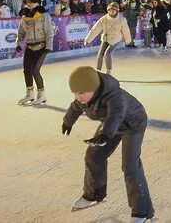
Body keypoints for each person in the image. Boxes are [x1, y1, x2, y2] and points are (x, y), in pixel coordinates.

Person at [63, 66, 154, 221]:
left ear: (94, 87)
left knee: (130, 165)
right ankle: (94, 194)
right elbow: (75, 108)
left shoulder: (114, 96)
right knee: (93, 156)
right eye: (75, 92)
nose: (78, 96)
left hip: (133, 124)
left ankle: (142, 211)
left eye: (81, 92)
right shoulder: (84, 98)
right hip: (111, 125)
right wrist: (67, 122)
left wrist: (105, 134)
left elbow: (116, 115)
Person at [16, 0, 54, 105]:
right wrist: (18, 43)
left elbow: (49, 32)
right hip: (29, 46)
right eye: (28, 2)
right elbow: (21, 32)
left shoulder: (44, 16)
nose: (29, 4)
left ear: (37, 3)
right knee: (26, 70)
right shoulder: (24, 16)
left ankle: (41, 95)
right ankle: (29, 94)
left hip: (41, 46)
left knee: (35, 71)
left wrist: (48, 47)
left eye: (31, 2)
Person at [84, 2, 133, 76]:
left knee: (107, 54)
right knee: (100, 53)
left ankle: (109, 71)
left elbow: (126, 30)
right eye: (110, 10)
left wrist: (128, 40)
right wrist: (87, 40)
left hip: (115, 39)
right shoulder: (103, 19)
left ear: (117, 11)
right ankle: (98, 70)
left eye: (113, 10)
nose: (111, 12)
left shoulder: (122, 20)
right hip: (106, 38)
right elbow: (95, 29)